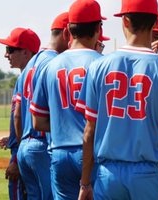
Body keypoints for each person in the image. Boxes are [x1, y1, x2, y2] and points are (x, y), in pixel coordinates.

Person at [77, 0, 158, 199]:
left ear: (124, 21)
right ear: (154, 23)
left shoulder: (97, 68)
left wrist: (85, 182)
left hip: (108, 174)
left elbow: (89, 132)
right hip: (150, 173)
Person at [30, 0, 104, 199]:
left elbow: (38, 121)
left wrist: (65, 126)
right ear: (98, 28)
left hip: (60, 153)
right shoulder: (104, 64)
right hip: (94, 153)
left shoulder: (50, 66)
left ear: (68, 32)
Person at [12, 11, 71, 200]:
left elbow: (17, 115)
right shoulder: (55, 63)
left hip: (25, 147)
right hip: (43, 144)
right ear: (67, 33)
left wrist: (22, 144)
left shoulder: (30, 64)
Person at [0, 27, 41, 200]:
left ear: (26, 53)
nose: (6, 55)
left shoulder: (26, 79)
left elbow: (18, 117)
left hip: (24, 153)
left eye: (10, 49)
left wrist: (16, 159)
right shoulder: (33, 78)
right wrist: (12, 138)